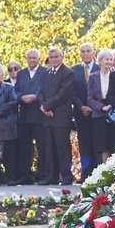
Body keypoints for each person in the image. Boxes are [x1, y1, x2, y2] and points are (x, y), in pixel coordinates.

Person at [38, 47, 76, 184]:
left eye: (56, 57)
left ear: (61, 57)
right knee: (49, 148)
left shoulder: (68, 73)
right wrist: (43, 107)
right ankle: (51, 177)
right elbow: (40, 92)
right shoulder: (46, 73)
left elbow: (63, 94)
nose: (54, 59)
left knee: (62, 147)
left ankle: (66, 176)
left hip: (60, 116)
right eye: (51, 57)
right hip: (47, 116)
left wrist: (47, 106)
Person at [13, 48, 47, 184]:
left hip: (39, 114)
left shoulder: (45, 72)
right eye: (30, 58)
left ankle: (42, 174)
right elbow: (16, 91)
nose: (32, 60)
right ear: (26, 59)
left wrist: (36, 97)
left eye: (34, 58)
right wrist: (22, 97)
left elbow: (46, 90)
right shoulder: (21, 74)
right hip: (25, 114)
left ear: (39, 59)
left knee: (42, 146)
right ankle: (25, 175)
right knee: (25, 146)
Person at [86, 48, 115, 167]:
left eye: (111, 59)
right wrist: (102, 107)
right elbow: (90, 98)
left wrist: (112, 106)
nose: (109, 62)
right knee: (102, 144)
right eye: (106, 59)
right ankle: (104, 170)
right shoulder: (93, 77)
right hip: (99, 112)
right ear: (100, 61)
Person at [71, 42, 98, 178]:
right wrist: (81, 106)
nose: (86, 53)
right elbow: (71, 92)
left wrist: (93, 106)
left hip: (97, 113)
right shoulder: (74, 70)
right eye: (83, 51)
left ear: (94, 53)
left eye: (88, 51)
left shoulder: (101, 68)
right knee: (84, 144)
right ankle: (86, 175)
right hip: (80, 112)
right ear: (80, 54)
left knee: (97, 143)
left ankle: (98, 174)